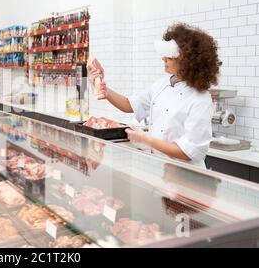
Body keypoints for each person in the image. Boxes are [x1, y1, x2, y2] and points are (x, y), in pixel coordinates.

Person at [88, 23, 221, 167]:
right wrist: (104, 90)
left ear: (187, 62)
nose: (163, 59)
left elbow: (189, 152)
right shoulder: (161, 85)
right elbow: (129, 105)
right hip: (159, 168)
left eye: (169, 58)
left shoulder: (200, 99)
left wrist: (146, 140)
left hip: (186, 174)